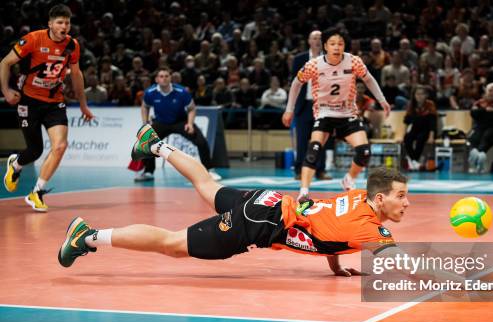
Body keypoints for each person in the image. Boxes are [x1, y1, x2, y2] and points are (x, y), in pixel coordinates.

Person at [58, 124, 408, 277]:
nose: (406, 204)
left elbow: (331, 228)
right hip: (260, 223)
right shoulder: (370, 230)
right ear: (380, 199)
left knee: (207, 184)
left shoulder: (358, 198)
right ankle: (88, 236)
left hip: (268, 201)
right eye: (402, 197)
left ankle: (154, 144)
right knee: (172, 244)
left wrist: (334, 265)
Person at [1, 4, 94, 211]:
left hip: (54, 102)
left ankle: (37, 192)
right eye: (60, 22)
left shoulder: (72, 45)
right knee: (35, 151)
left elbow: (77, 75)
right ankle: (15, 164)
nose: (64, 26)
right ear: (50, 24)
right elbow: (5, 63)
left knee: (60, 146)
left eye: (67, 23)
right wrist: (6, 91)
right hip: (29, 101)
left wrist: (83, 104)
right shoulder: (33, 40)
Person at [283, 28, 391, 201]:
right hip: (324, 113)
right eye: (332, 44)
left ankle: (349, 179)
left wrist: (382, 100)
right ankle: (303, 192)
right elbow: (296, 84)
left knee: (364, 152)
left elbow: (369, 79)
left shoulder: (353, 61)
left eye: (340, 44)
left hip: (347, 113)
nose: (336, 47)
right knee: (313, 150)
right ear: (325, 46)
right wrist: (289, 109)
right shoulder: (314, 64)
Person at [137, 68, 220, 182]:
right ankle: (148, 172)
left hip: (180, 121)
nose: (164, 78)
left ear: (170, 78)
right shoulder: (150, 93)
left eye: (166, 76)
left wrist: (190, 124)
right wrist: (145, 122)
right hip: (161, 122)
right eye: (161, 76)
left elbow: (191, 108)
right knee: (147, 141)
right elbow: (145, 106)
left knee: (201, 141)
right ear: (157, 79)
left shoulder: (181, 91)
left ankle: (210, 170)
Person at [291, 30, 332, 181]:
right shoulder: (299, 59)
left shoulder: (330, 59)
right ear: (309, 41)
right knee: (302, 140)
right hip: (303, 105)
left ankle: (320, 170)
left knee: (320, 139)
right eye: (314, 38)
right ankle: (299, 170)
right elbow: (294, 84)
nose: (317, 40)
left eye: (320, 38)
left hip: (322, 106)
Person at [468, 83, 493, 173]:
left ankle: (477, 156)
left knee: (487, 136)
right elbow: (473, 114)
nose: (492, 93)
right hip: (479, 128)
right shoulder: (479, 103)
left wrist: (483, 113)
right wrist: (485, 110)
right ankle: (480, 158)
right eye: (490, 91)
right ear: (486, 92)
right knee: (473, 137)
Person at [403, 85, 438, 171]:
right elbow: (407, 122)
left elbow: (432, 122)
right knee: (407, 138)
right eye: (417, 94)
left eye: (422, 94)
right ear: (414, 95)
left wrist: (431, 137)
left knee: (420, 139)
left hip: (427, 130)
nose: (419, 96)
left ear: (426, 95)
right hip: (415, 129)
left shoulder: (430, 104)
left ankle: (413, 161)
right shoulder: (411, 105)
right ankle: (415, 162)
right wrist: (403, 134)